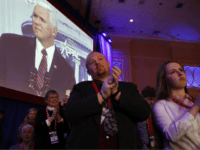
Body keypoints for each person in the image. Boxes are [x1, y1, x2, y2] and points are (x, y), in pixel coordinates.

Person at [65, 52, 151, 150]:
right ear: (88, 71)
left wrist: (116, 93)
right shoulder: (80, 88)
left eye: (100, 59)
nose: (97, 63)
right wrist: (102, 95)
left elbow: (144, 112)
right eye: (92, 62)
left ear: (108, 64)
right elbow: (69, 113)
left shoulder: (128, 87)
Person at [0, 1, 75, 100]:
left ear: (54, 31)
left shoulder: (67, 71)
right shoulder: (9, 43)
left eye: (42, 19)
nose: (36, 21)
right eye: (35, 16)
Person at [153, 61, 200, 149]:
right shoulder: (161, 105)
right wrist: (196, 107)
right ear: (164, 79)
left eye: (181, 70)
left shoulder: (193, 101)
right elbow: (172, 136)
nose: (180, 73)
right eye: (173, 72)